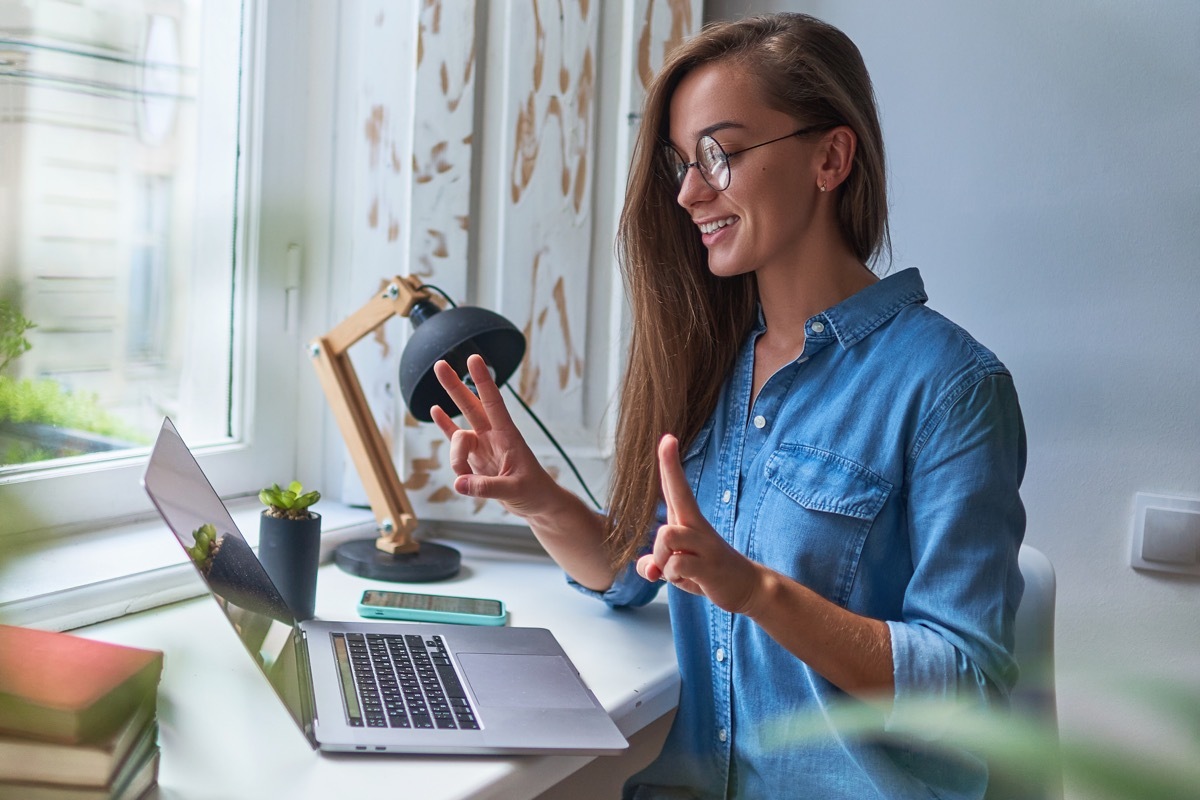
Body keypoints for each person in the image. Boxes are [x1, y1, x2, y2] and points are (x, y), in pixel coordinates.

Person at [430, 12, 1026, 800]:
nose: (687, 191)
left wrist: (757, 593)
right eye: (681, 162)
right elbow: (631, 572)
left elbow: (970, 686)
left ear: (830, 157)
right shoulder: (712, 366)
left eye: (719, 152)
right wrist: (534, 495)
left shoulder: (951, 387)